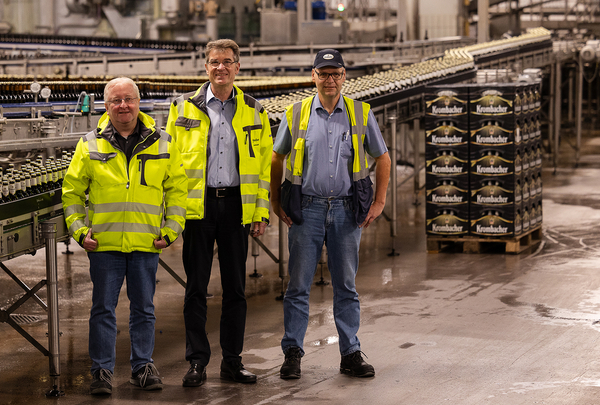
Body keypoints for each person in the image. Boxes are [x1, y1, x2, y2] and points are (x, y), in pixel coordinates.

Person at [270, 49, 391, 380]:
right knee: (297, 286)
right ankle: (292, 352)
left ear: (344, 76)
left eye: (335, 73)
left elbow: (383, 158)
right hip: (306, 210)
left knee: (346, 286)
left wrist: (379, 202)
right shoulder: (295, 114)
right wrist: (275, 200)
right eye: (323, 73)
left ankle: (350, 353)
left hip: (345, 210)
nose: (329, 79)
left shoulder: (361, 113)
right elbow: (276, 158)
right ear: (313, 77)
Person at [62, 77, 188, 395]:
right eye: (116, 100)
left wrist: (172, 229)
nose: (123, 106)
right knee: (103, 308)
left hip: (146, 241)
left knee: (143, 307)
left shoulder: (162, 141)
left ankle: (142, 366)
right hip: (105, 244)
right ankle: (101, 371)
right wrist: (78, 230)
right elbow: (72, 192)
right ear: (106, 106)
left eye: (129, 99)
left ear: (138, 102)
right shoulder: (90, 143)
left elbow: (177, 190)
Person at [165, 39, 273, 387]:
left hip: (237, 207)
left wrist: (260, 212)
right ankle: (197, 361)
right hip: (199, 208)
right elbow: (169, 163)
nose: (221, 68)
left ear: (237, 67)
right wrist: (172, 214)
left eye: (227, 62)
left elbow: (262, 168)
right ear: (206, 67)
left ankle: (232, 361)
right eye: (214, 62)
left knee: (236, 289)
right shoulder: (183, 108)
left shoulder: (255, 110)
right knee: (196, 288)